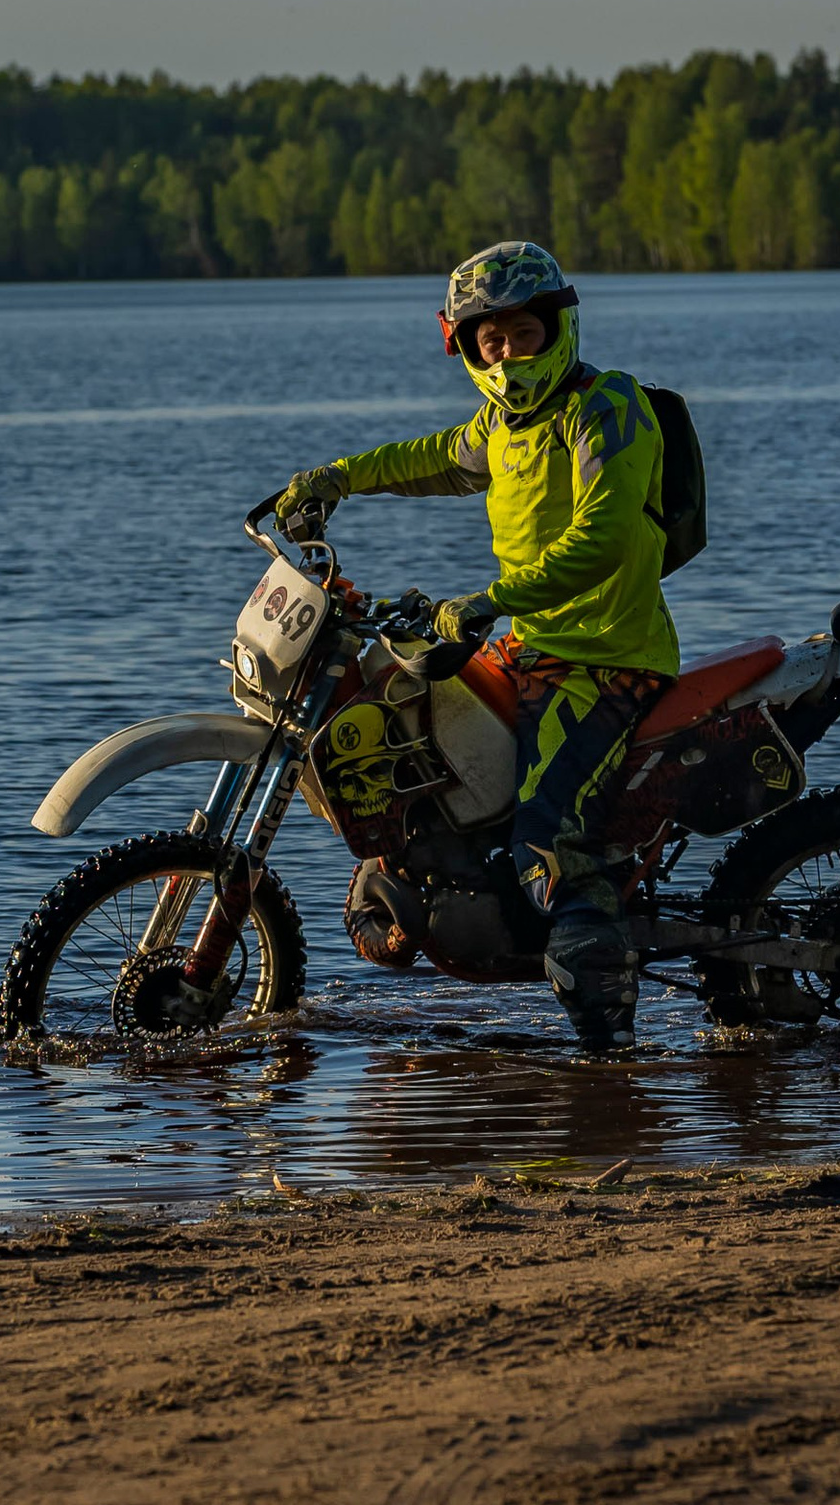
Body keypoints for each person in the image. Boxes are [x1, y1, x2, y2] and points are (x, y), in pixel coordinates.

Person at [276, 241, 677, 1052]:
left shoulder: (605, 407)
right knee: (420, 764)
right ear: (465, 346)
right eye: (487, 339)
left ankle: (610, 1054)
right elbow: (429, 459)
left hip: (606, 659)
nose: (505, 352)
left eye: (520, 332)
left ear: (556, 326)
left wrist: (489, 601)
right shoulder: (502, 423)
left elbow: (601, 539)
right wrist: (336, 478)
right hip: (528, 647)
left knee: (546, 838)